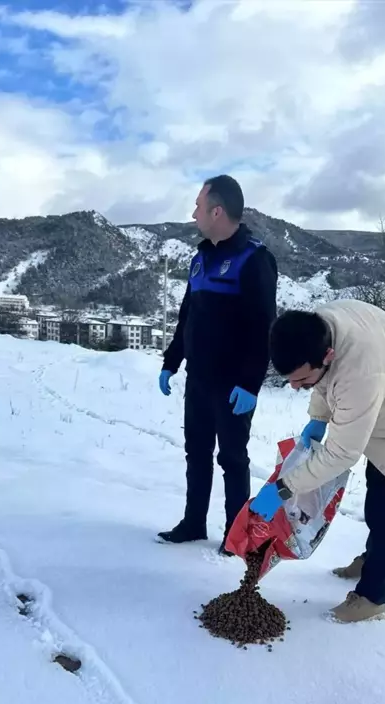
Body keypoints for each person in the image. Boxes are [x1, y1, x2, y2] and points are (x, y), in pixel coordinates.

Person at [250, 299, 385, 622]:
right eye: (290, 380)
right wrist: (318, 417)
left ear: (328, 356)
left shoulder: (360, 370)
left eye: (301, 380)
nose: (294, 388)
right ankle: (372, 558)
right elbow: (324, 382)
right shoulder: (319, 327)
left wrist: (283, 488)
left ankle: (372, 598)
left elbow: (341, 454)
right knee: (375, 489)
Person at [158, 175, 278, 554]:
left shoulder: (254, 259)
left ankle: (235, 533)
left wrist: (251, 383)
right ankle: (194, 522)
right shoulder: (200, 259)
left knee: (232, 458)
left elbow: (264, 327)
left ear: (217, 210)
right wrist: (172, 360)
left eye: (198, 205)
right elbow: (187, 316)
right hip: (199, 379)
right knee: (196, 453)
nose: (193, 213)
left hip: (233, 385)